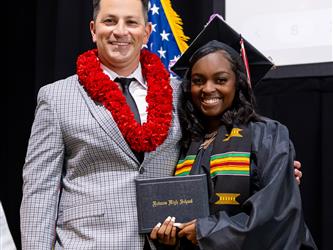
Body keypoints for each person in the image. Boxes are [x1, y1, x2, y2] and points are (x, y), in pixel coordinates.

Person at [20, 2, 303, 249]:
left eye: (131, 22)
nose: (121, 31)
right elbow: (39, 193)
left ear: (147, 32)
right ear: (94, 29)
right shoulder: (56, 98)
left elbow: (220, 142)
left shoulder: (182, 92)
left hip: (166, 244)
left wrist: (271, 169)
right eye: (110, 21)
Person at [150, 15, 317, 249]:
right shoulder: (187, 143)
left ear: (238, 83)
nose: (208, 89)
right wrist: (172, 239)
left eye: (220, 79)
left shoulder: (267, 134)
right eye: (198, 80)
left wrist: (205, 231)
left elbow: (277, 213)